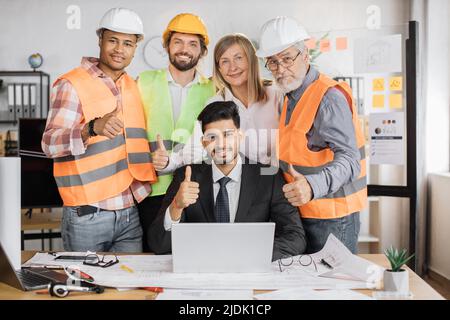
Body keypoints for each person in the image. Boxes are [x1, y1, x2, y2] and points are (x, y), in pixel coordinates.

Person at [41, 8, 157, 252]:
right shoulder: (72, 84)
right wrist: (91, 128)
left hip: (128, 213)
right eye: (112, 40)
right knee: (87, 288)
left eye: (127, 43)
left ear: (135, 47)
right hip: (87, 216)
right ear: (100, 40)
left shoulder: (132, 86)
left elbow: (133, 141)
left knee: (129, 290)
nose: (119, 49)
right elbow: (49, 145)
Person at [255, 16, 367, 254]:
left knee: (332, 288)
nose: (280, 68)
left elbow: (350, 160)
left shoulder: (329, 97)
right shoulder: (291, 93)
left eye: (286, 58)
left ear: (305, 55)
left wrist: (312, 186)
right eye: (272, 62)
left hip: (334, 219)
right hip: (303, 213)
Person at [148, 101, 306, 260]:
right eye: (212, 137)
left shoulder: (268, 177)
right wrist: (177, 206)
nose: (221, 144)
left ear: (240, 136)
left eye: (228, 134)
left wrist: (246, 255)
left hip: (248, 269)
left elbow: (296, 237)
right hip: (202, 270)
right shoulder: (186, 176)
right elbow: (158, 244)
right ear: (204, 143)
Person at [137, 13, 215, 251]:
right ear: (167, 46)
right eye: (178, 42)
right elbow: (128, 137)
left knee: (193, 258)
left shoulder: (213, 89)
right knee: (155, 258)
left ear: (202, 51)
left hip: (196, 191)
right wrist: (147, 159)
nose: (185, 49)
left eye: (193, 44)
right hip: (152, 191)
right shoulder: (142, 82)